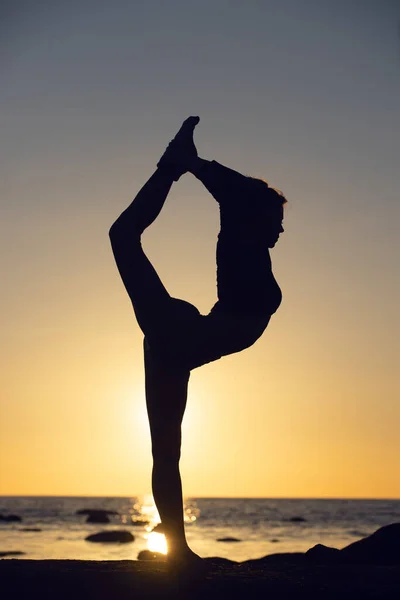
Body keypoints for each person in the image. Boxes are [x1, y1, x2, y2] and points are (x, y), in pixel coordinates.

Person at [109, 117, 286, 572]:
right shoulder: (243, 234)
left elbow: (240, 194)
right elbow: (239, 193)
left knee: (167, 454)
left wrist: (193, 165)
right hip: (175, 336)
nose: (281, 231)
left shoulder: (248, 245)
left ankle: (179, 551)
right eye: (278, 221)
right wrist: (193, 164)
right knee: (122, 236)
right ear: (259, 216)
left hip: (180, 337)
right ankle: (173, 163)